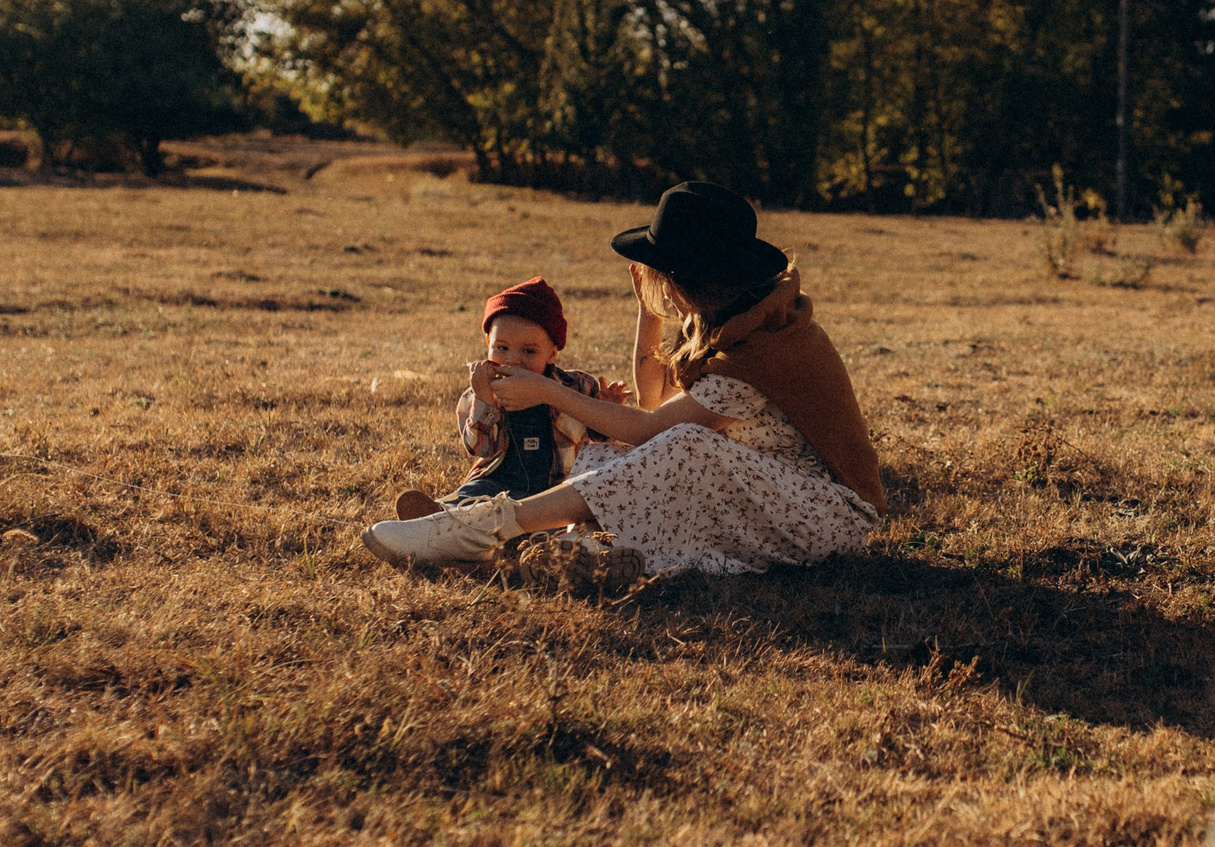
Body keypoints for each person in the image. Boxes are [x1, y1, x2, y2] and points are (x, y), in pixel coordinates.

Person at [361, 181, 884, 577]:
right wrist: (649, 312)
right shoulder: (740, 323)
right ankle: (578, 548)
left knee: (681, 446)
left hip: (824, 514)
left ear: (680, 278)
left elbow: (651, 428)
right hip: (768, 490)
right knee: (603, 454)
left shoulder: (762, 351)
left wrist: (549, 391)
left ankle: (485, 529)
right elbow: (652, 398)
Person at [392, 277, 621, 520]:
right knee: (473, 496)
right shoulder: (480, 391)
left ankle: (526, 539)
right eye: (502, 348)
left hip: (554, 491)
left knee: (566, 517)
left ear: (552, 353)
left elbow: (601, 437)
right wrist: (485, 400)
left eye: (529, 351)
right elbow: (479, 448)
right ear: (488, 343)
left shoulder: (576, 386)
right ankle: (439, 517)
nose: (513, 359)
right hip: (496, 483)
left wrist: (607, 407)